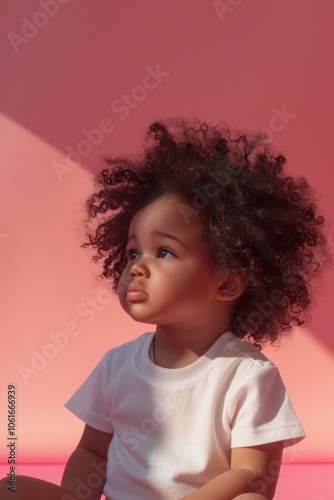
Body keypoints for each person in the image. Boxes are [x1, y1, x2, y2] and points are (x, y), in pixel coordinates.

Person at [0, 117, 331, 499]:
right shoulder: (117, 365)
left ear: (227, 281)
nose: (136, 266)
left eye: (164, 252)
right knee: (10, 487)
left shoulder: (248, 376)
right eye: (133, 251)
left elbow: (252, 474)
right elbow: (91, 452)